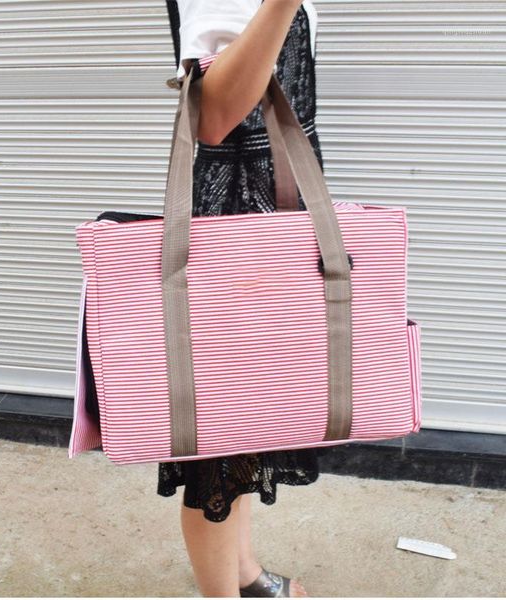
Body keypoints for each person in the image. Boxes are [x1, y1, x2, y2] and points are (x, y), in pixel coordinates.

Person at [159, 1, 329, 596]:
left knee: (248, 424)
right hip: (236, 213)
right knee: (217, 448)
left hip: (274, 205)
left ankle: (245, 574)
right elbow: (214, 115)